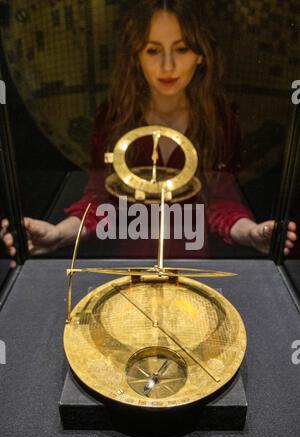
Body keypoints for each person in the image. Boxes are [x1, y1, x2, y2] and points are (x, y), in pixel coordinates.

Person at [0, 0, 297, 264]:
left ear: (201, 55)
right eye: (153, 50)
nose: (168, 65)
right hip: (130, 273)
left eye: (181, 49)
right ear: (136, 57)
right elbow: (100, 202)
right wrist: (57, 234)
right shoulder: (114, 118)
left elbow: (221, 204)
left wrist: (254, 233)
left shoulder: (219, 120)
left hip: (196, 272)